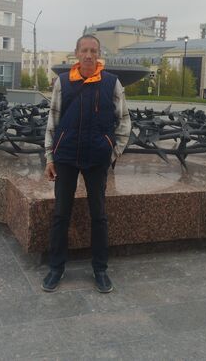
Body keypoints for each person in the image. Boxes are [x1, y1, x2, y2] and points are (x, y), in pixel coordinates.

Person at [43, 35, 131, 293]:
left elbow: (125, 120)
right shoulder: (63, 82)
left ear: (99, 54)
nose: (89, 55)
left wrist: (113, 152)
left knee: (99, 215)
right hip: (66, 156)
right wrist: (49, 156)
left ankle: (100, 269)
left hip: (97, 158)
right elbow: (52, 120)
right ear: (77, 53)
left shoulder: (112, 83)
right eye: (85, 50)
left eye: (93, 50)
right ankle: (56, 267)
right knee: (61, 213)